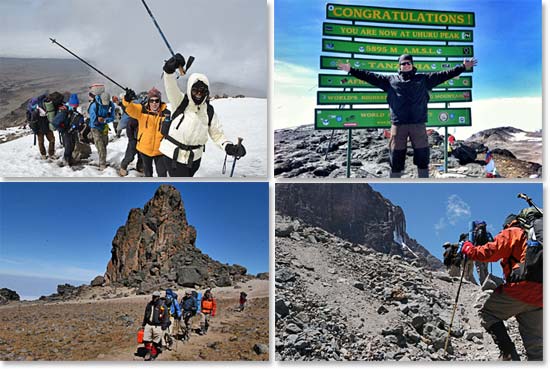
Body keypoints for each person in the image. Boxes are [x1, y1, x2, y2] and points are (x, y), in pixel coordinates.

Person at [338, 55, 477, 178]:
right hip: (398, 125)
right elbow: (369, 76)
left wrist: (463, 67)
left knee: (422, 157)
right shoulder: (390, 80)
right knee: (396, 157)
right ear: (399, 66)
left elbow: (444, 74)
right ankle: (394, 181)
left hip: (418, 124)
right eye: (403, 63)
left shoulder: (423, 79)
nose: (406, 65)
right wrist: (351, 70)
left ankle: (423, 181)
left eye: (408, 63)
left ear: (412, 64)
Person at [461, 214, 542, 361]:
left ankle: (509, 354)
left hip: (520, 288)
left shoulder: (513, 232)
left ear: (508, 224)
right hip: (541, 295)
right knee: (535, 344)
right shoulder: (538, 236)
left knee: (488, 313)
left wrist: (468, 249)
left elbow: (490, 252)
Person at [158, 53, 247, 177]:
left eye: (202, 91)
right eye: (195, 90)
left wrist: (229, 147)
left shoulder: (209, 111)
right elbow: (170, 86)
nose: (199, 94)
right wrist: (169, 70)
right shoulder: (180, 101)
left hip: (194, 159)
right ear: (190, 90)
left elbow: (217, 134)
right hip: (173, 156)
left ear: (207, 92)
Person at [122, 87, 169, 177]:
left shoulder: (167, 114)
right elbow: (130, 109)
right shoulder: (141, 110)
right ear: (148, 101)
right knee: (148, 174)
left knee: (162, 174)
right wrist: (127, 99)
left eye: (156, 101)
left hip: (160, 150)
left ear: (160, 101)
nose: (154, 103)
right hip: (144, 149)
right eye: (151, 101)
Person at [52, 93, 84, 167]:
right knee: (68, 146)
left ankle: (69, 159)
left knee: (72, 145)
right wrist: (62, 129)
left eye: (76, 106)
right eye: (74, 106)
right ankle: (66, 160)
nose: (75, 107)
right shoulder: (63, 111)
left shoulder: (71, 110)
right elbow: (55, 122)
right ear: (70, 104)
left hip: (71, 131)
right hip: (66, 131)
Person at [88, 92, 115, 170]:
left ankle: (103, 160)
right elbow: (93, 120)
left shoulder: (110, 105)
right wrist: (99, 120)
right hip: (95, 127)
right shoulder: (94, 106)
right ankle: (102, 164)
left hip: (104, 126)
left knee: (105, 143)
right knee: (101, 146)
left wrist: (104, 120)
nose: (105, 105)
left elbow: (112, 117)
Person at [141, 291, 170, 361]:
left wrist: (164, 325)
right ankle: (148, 352)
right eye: (153, 296)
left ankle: (153, 354)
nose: (154, 298)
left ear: (158, 297)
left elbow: (166, 316)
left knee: (156, 341)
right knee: (146, 339)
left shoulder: (162, 306)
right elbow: (146, 315)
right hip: (149, 324)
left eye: (156, 297)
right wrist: (144, 324)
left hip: (158, 326)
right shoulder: (149, 304)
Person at [28, 94, 56, 160]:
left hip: (45, 128)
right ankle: (44, 154)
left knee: (51, 140)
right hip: (40, 129)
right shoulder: (31, 111)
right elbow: (30, 120)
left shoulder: (43, 107)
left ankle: (50, 154)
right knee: (43, 142)